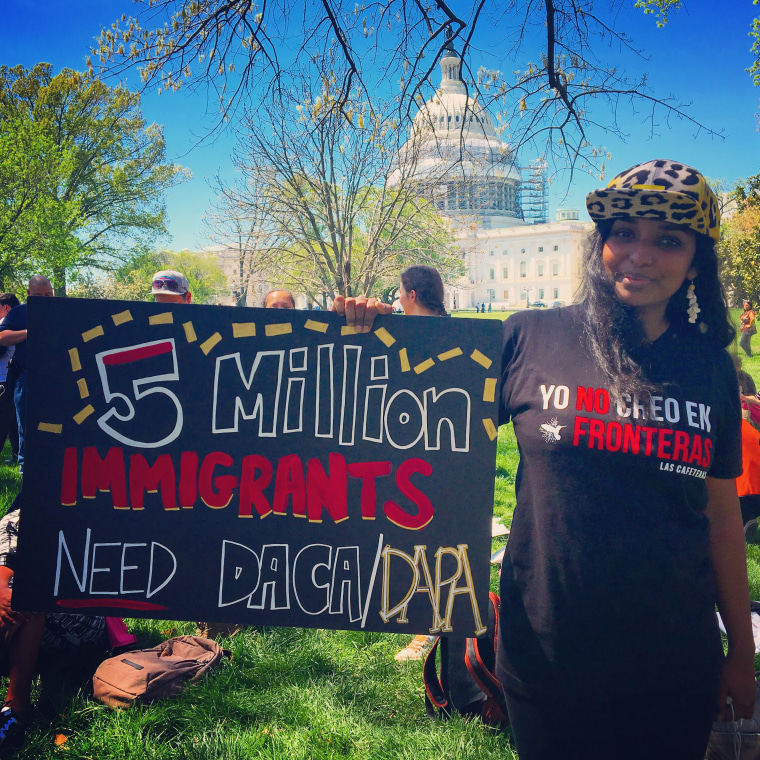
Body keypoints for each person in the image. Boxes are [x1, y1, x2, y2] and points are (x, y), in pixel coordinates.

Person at [493, 160, 754, 760]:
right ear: (601, 244)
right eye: (624, 234)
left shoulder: (710, 366)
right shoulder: (529, 337)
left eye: (668, 240)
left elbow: (721, 521)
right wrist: (373, 341)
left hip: (673, 664)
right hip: (549, 656)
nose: (640, 254)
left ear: (696, 261)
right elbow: (423, 434)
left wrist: (740, 650)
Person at [0, 492, 106, 751]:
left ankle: (17, 706)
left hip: (84, 624)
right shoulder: (17, 521)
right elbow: (4, 570)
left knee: (26, 592)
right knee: (19, 593)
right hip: (27, 617)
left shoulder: (93, 517)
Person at [392, 265, 447, 662]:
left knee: (432, 542)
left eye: (398, 293)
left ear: (411, 294)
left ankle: (428, 629)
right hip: (414, 454)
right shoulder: (460, 333)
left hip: (431, 458)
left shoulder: (448, 338)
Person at [0, 276, 55, 475]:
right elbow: (2, 337)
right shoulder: (18, 312)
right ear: (29, 295)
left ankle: (55, 467)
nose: (45, 298)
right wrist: (29, 332)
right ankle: (26, 470)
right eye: (39, 296)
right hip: (27, 376)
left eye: (48, 294)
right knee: (27, 424)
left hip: (60, 376)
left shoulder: (64, 309)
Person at [0, 294, 20, 464]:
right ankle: (16, 453)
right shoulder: (20, 323)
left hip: (3, 378)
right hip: (13, 378)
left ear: (5, 307)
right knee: (14, 420)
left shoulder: (5, 324)